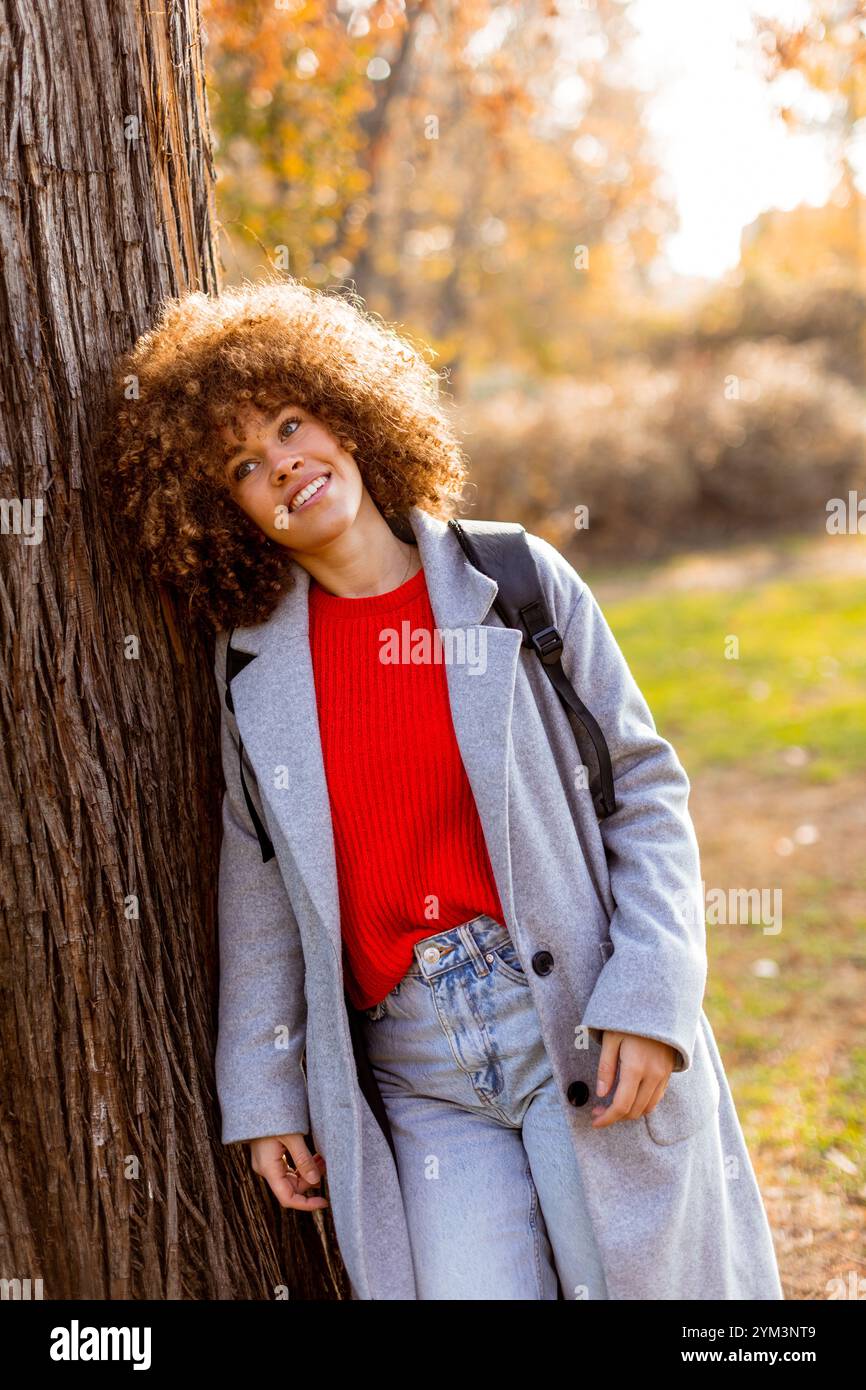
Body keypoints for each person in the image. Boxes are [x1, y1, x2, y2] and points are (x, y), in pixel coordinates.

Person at [98, 277, 784, 1301]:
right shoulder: (252, 667)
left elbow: (641, 786)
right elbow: (257, 892)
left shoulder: (515, 581)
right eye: (243, 464)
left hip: (572, 1018)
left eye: (290, 421)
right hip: (417, 1075)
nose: (281, 461)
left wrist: (649, 994)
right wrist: (263, 1090)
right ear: (226, 511)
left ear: (349, 411)